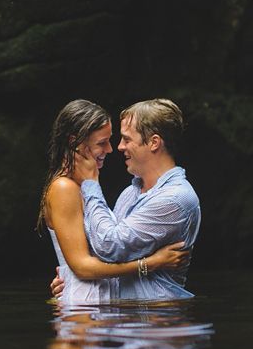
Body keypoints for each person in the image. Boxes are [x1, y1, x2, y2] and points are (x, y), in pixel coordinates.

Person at [38, 99, 189, 304]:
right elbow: (82, 267)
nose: (111, 149)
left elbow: (108, 246)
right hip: (84, 306)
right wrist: (151, 263)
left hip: (98, 303)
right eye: (102, 143)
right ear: (75, 142)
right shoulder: (64, 188)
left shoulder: (83, 188)